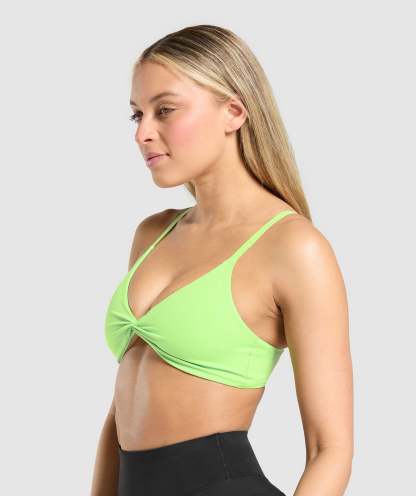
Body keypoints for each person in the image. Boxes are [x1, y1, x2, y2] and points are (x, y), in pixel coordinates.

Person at [91, 24, 353, 496]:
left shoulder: (294, 248)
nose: (144, 133)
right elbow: (120, 413)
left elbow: (329, 449)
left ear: (233, 111)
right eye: (137, 115)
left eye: (164, 110)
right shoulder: (153, 233)